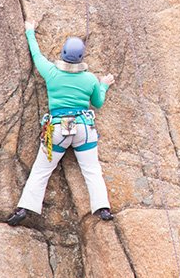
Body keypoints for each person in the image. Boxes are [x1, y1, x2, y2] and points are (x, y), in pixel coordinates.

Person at [7, 19, 116, 225]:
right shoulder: (90, 79)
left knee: (41, 170)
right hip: (84, 127)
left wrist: (30, 31)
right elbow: (98, 103)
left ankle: (24, 208)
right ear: (81, 57)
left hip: (58, 128)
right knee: (92, 169)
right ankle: (103, 209)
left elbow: (36, 55)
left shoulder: (52, 72)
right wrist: (103, 85)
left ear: (63, 53)